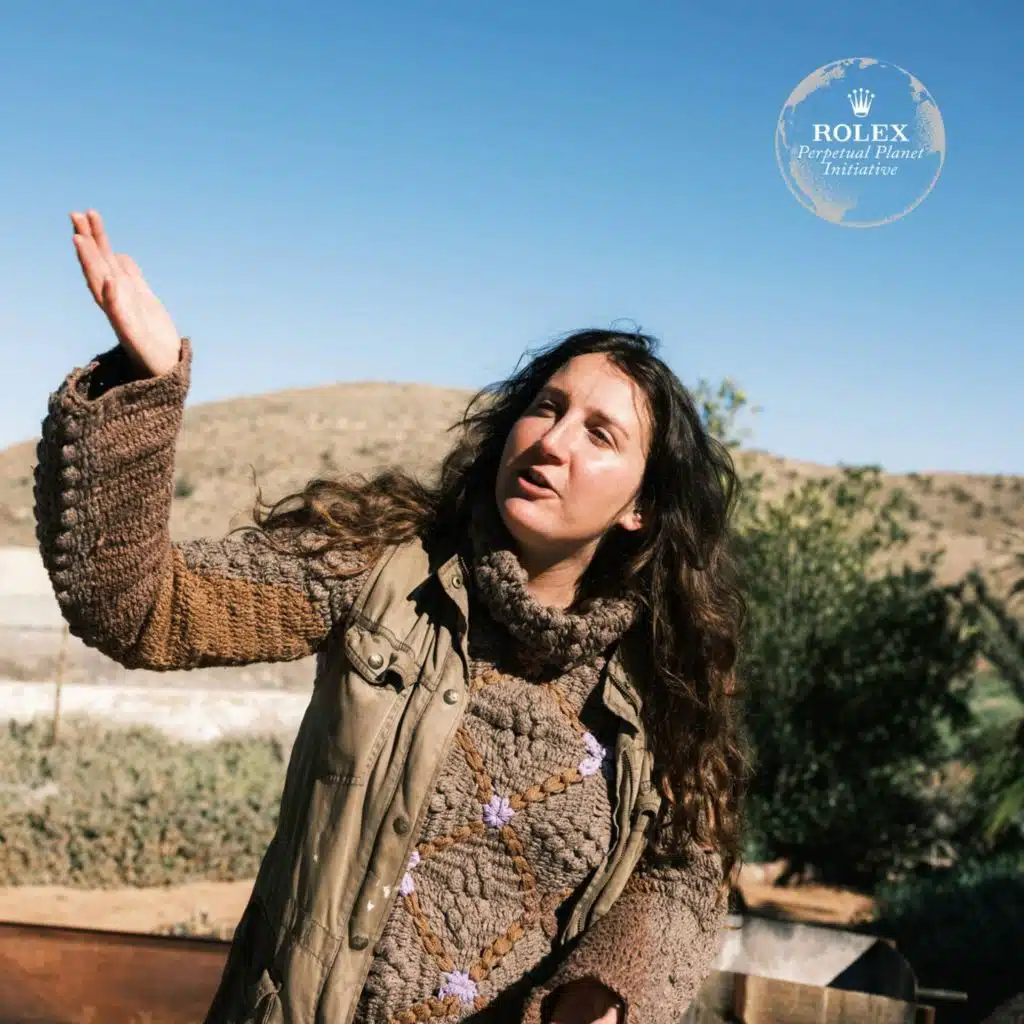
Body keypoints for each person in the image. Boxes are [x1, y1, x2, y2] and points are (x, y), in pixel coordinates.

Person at [34, 209, 749, 1024]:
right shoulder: (381, 568)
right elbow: (138, 608)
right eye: (546, 407)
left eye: (600, 434)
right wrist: (144, 380)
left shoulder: (663, 681)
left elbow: (689, 868)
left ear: (640, 509)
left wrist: (612, 984)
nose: (553, 442)